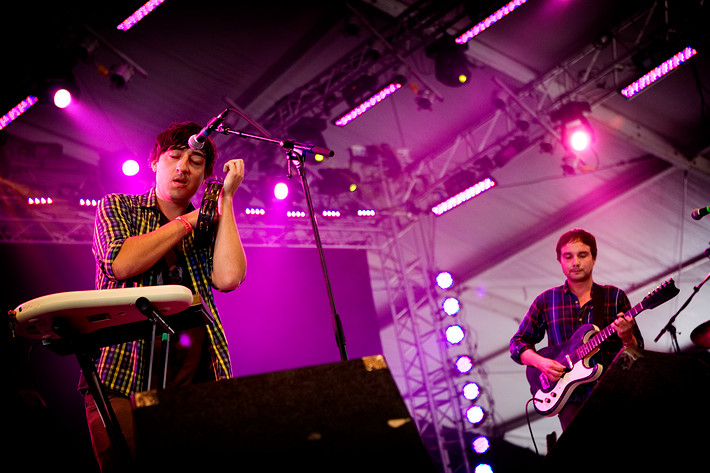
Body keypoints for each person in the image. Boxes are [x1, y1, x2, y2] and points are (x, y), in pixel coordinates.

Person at [81, 121, 247, 472]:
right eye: (174, 157)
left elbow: (229, 278)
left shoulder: (209, 223)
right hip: (123, 372)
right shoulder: (119, 207)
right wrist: (187, 221)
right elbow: (120, 263)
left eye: (196, 162)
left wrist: (227, 199)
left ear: (205, 176)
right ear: (155, 162)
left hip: (195, 375)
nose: (183, 167)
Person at [509, 228, 643, 430]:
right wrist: (542, 363)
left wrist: (626, 336)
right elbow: (517, 343)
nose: (575, 262)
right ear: (559, 261)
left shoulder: (614, 296)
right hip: (568, 399)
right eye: (568, 256)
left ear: (594, 257)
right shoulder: (546, 300)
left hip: (614, 393)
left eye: (582, 255)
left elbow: (638, 349)